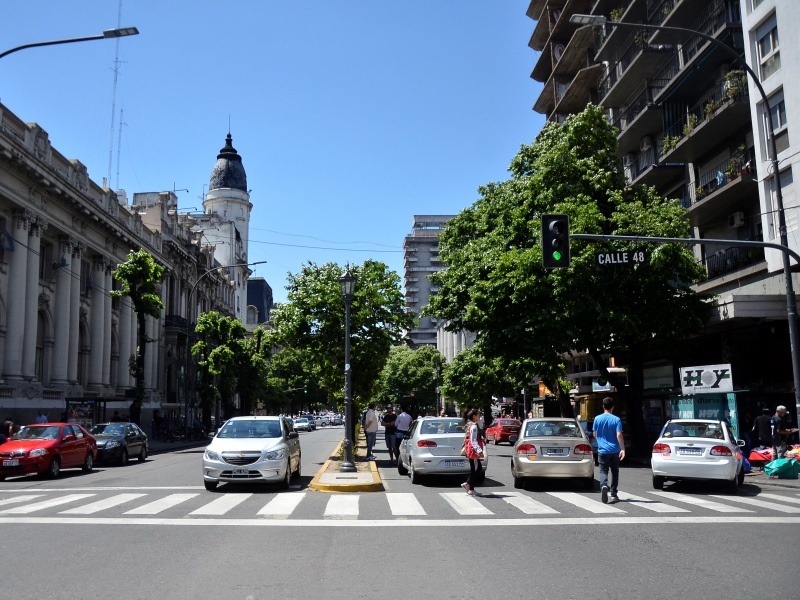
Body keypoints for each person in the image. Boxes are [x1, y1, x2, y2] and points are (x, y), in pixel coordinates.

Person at [591, 397, 625, 504]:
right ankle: (614, 493)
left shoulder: (597, 419)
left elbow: (594, 434)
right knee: (615, 472)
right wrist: (623, 449)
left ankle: (604, 485)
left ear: (603, 406)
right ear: (613, 407)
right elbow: (619, 434)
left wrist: (600, 440)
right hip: (615, 450)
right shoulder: (616, 419)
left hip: (602, 450)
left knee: (603, 471)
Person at [461, 408, 485, 496]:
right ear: (474, 416)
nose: (480, 416)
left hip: (472, 450)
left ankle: (468, 484)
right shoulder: (474, 426)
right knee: (474, 470)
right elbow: (473, 440)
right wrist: (479, 450)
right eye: (478, 415)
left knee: (477, 468)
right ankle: (471, 489)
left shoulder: (471, 424)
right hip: (473, 451)